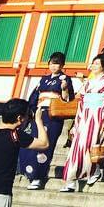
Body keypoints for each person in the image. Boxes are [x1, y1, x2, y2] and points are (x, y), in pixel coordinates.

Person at [0, 98, 50, 207]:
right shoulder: (16, 136)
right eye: (26, 116)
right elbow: (44, 144)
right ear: (19, 118)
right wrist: (38, 121)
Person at [61, 52, 104, 193]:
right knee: (77, 147)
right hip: (84, 116)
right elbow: (81, 100)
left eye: (97, 64)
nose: (93, 66)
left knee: (90, 145)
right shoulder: (89, 82)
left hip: (98, 116)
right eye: (93, 63)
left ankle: (94, 171)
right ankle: (71, 181)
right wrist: (77, 121)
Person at [19, 52, 73, 189]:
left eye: (57, 63)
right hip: (39, 113)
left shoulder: (65, 78)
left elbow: (68, 99)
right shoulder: (43, 79)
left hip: (53, 115)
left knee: (46, 144)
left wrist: (64, 88)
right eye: (52, 63)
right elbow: (35, 96)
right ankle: (30, 172)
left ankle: (38, 177)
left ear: (62, 65)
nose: (54, 66)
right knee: (32, 141)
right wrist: (31, 110)